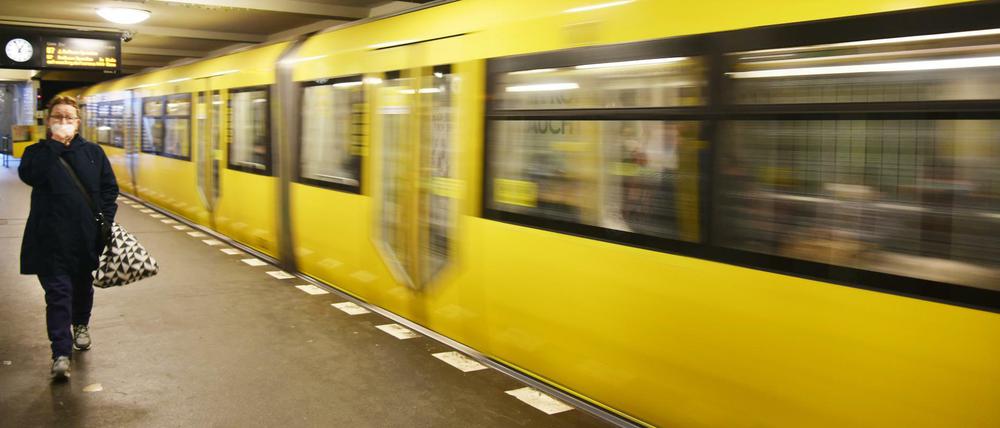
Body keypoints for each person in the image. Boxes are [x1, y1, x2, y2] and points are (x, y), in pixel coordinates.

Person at [18, 96, 119, 380]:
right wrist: (54, 146)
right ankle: (60, 353)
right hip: (48, 238)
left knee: (82, 287)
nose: (63, 122)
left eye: (69, 118)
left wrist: (105, 221)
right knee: (58, 294)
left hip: (84, 237)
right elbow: (31, 176)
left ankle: (81, 325)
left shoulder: (93, 152)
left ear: (78, 123)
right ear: (48, 122)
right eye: (57, 117)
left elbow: (109, 189)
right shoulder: (36, 152)